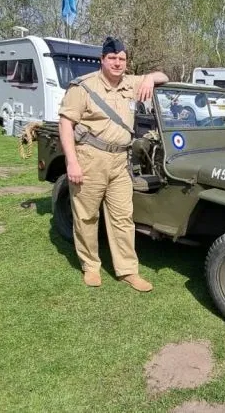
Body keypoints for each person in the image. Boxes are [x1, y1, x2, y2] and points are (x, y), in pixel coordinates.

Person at [57, 36, 169, 291]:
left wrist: (149, 79)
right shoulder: (83, 87)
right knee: (87, 216)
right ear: (102, 60)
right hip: (90, 158)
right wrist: (72, 162)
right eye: (112, 58)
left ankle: (127, 270)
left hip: (120, 161)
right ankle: (91, 266)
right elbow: (65, 124)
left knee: (123, 218)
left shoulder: (131, 82)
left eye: (122, 59)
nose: (118, 63)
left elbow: (163, 76)